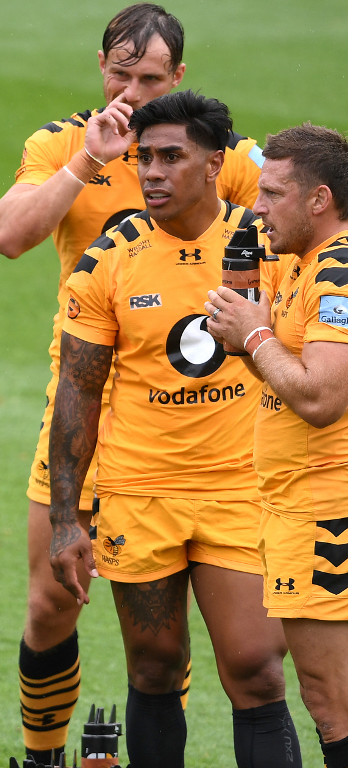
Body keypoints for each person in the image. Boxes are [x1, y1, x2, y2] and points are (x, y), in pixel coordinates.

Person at [0, 5, 264, 761]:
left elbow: (307, 205)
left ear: (179, 77)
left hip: (184, 419)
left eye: (151, 79)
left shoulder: (208, 152)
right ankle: (43, 754)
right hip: (85, 407)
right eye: (121, 74)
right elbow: (10, 235)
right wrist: (89, 160)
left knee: (163, 633)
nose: (133, 93)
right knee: (51, 604)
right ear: (101, 68)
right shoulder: (61, 143)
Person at [48, 91, 300, 768]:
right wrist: (66, 519)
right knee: (155, 666)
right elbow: (78, 390)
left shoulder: (267, 247)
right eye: (144, 158)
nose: (152, 172)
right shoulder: (109, 258)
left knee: (256, 669)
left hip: (241, 488)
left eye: (171, 157)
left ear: (215, 163)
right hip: (140, 490)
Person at [205, 124, 348, 768]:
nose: (255, 207)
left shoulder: (338, 272)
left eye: (272, 194)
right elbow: (286, 374)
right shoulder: (298, 261)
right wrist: (245, 339)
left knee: (332, 701)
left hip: (326, 512)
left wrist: (256, 337)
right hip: (297, 505)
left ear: (319, 199)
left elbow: (320, 399)